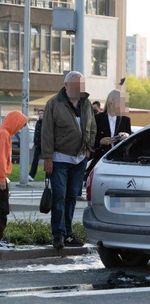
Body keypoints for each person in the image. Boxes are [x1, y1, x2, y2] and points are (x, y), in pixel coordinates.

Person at [41, 71, 96, 249]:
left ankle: (68, 233)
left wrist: (89, 146)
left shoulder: (86, 103)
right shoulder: (54, 104)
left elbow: (92, 127)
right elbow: (47, 132)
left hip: (79, 159)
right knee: (59, 197)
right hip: (59, 158)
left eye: (80, 85)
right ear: (66, 86)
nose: (77, 89)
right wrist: (47, 158)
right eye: (74, 85)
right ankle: (58, 235)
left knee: (72, 196)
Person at [86, 89, 131, 176]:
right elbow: (90, 141)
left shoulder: (126, 120)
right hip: (101, 161)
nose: (123, 105)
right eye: (121, 102)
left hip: (120, 163)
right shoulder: (97, 119)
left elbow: (132, 142)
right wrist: (100, 141)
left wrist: (127, 136)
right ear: (111, 102)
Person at [0, 112, 28, 248]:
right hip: (0, 179)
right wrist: (1, 178)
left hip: (2, 177)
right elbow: (0, 159)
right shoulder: (3, 134)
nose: (20, 129)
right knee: (2, 210)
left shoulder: (5, 133)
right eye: (21, 125)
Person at [28, 109, 44, 181]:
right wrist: (34, 142)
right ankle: (31, 175)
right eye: (39, 114)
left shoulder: (46, 122)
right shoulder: (38, 122)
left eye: (42, 113)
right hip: (38, 145)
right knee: (35, 161)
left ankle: (48, 177)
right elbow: (36, 134)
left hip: (44, 145)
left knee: (48, 161)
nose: (40, 115)